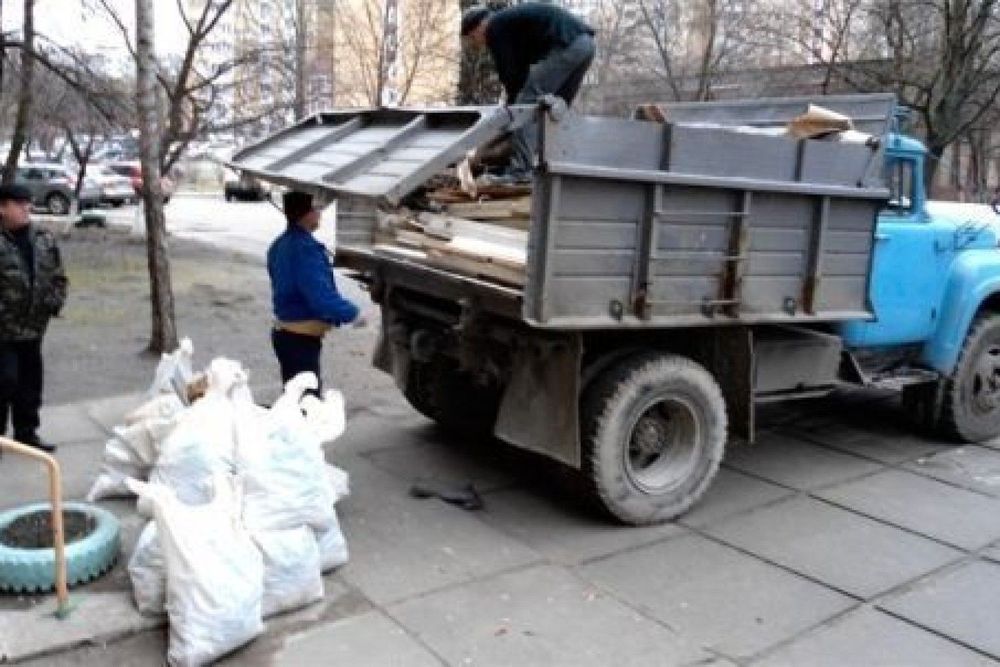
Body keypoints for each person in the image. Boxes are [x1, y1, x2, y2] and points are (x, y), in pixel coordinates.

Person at [461, 3, 596, 181]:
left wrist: (512, 110)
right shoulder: (512, 25)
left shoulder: (495, 27)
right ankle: (558, 164)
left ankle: (520, 171)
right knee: (555, 108)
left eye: (473, 38)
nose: (477, 43)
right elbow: (522, 72)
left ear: (479, 26)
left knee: (525, 103)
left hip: (567, 46)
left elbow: (510, 74)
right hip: (586, 45)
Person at [267, 190, 361, 392]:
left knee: (294, 397)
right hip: (298, 338)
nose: (320, 214)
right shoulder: (304, 250)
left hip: (287, 335)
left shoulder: (280, 244)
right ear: (306, 214)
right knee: (307, 401)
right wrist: (353, 314)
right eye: (316, 209)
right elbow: (320, 297)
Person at [0, 183, 67, 453]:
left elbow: (58, 275)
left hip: (34, 327)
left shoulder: (43, 238)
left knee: (29, 384)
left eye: (27, 202)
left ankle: (26, 433)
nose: (26, 208)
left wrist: (54, 302)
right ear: (2, 208)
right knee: (4, 380)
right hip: (3, 329)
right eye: (19, 203)